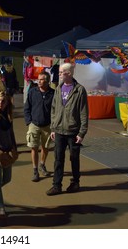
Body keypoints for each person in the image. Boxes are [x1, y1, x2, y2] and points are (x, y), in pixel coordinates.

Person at [46, 63, 89, 196]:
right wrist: (53, 128)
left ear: (69, 73)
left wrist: (82, 132)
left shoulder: (79, 90)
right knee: (58, 159)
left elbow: (83, 112)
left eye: (60, 72)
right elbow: (54, 109)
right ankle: (56, 185)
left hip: (73, 131)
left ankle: (75, 182)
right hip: (59, 130)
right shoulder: (58, 89)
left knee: (74, 158)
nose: (58, 74)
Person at [24, 72, 54, 182]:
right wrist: (29, 122)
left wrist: (53, 124)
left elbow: (55, 110)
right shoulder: (32, 92)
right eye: (38, 79)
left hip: (47, 125)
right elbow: (27, 107)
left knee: (45, 147)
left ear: (47, 82)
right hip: (34, 125)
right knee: (34, 147)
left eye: (41, 80)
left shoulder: (53, 94)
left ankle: (42, 164)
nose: (39, 81)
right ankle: (35, 170)